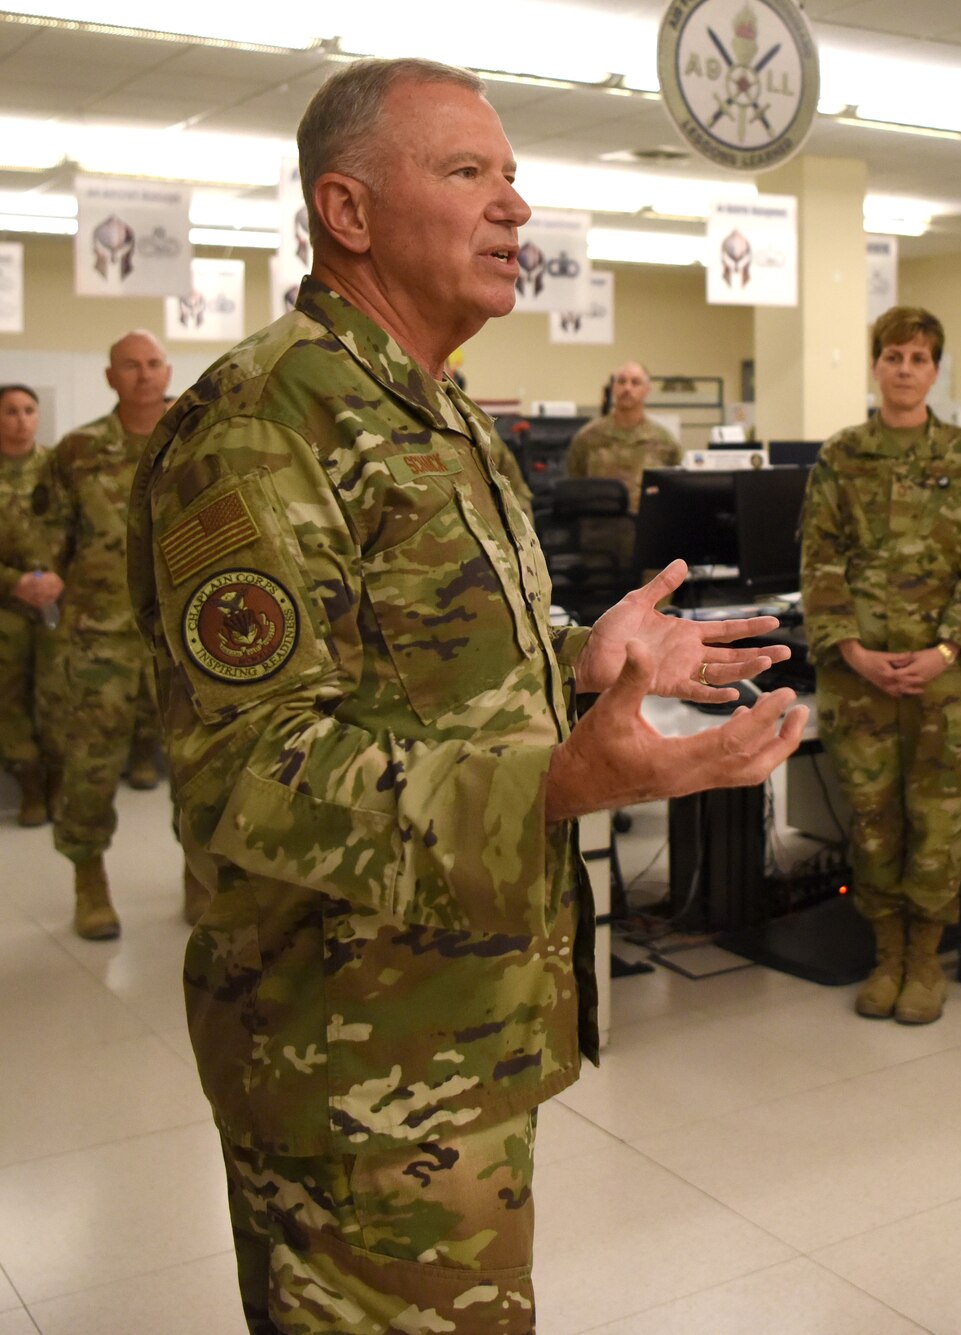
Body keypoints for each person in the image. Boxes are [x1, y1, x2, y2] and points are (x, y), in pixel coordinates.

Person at [129, 58, 805, 1332]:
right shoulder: (262, 423)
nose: (514, 209)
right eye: (466, 174)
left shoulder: (446, 420)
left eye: (511, 178)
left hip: (461, 1025)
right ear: (348, 211)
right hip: (347, 1062)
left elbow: (429, 667)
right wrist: (558, 778)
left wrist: (580, 660)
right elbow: (248, 768)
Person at [800, 305, 961, 1026]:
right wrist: (853, 649)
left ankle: (926, 958)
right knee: (872, 821)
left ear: (935, 369)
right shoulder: (840, 457)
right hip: (859, 678)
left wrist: (945, 649)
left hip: (945, 681)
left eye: (919, 358)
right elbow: (820, 562)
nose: (904, 369)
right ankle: (885, 953)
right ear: (876, 364)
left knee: (938, 821)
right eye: (893, 356)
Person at [43, 330, 173, 938]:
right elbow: (46, 540)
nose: (144, 375)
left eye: (152, 364)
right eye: (130, 366)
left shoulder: (202, 439)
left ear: (167, 370)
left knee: (200, 764)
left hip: (187, 637)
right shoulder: (76, 452)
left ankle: (203, 879)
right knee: (91, 764)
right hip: (100, 635)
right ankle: (88, 879)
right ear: (110, 377)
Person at [0, 384, 60, 828]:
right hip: (6, 606)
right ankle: (31, 787)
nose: (21, 419)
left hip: (59, 600)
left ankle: (60, 786)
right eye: (10, 411)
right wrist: (14, 582)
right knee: (9, 699)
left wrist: (60, 578)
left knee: (60, 694)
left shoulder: (59, 469)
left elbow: (84, 530)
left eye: (28, 410)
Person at [565, 359, 683, 511]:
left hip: (646, 528)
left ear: (647, 390)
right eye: (621, 381)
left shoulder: (665, 442)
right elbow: (574, 485)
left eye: (635, 382)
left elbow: (674, 491)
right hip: (598, 528)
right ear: (613, 387)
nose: (627, 388)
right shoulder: (587, 438)